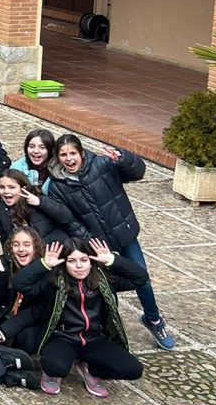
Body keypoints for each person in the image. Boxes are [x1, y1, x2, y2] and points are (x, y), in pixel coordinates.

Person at [46, 135, 174, 350]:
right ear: (58, 158)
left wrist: (123, 159)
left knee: (141, 276)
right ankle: (110, 330)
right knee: (106, 286)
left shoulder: (102, 164)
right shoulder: (57, 186)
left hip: (124, 232)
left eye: (73, 153)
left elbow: (138, 172)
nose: (69, 158)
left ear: (81, 153)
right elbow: (69, 220)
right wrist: (90, 241)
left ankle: (153, 319)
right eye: (63, 155)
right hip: (97, 244)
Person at [14, 237, 150, 397]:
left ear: (91, 261)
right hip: (63, 338)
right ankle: (52, 373)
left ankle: (90, 369)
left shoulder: (103, 279)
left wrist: (113, 260)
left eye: (83, 260)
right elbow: (20, 283)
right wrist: (45, 264)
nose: (78, 266)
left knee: (134, 369)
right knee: (56, 367)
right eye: (72, 261)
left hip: (94, 339)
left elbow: (141, 278)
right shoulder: (54, 281)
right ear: (64, 263)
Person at [0, 226, 50, 356]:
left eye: (26, 244)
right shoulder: (2, 263)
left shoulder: (43, 270)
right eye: (16, 245)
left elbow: (37, 309)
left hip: (23, 322)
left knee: (27, 343)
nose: (21, 249)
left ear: (36, 247)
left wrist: (8, 329)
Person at [0, 168, 76, 254]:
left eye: (11, 187)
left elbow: (66, 217)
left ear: (23, 188)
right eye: (2, 187)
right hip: (31, 259)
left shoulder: (37, 200)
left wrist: (40, 202)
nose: (6, 191)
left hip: (56, 252)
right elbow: (6, 242)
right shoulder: (0, 211)